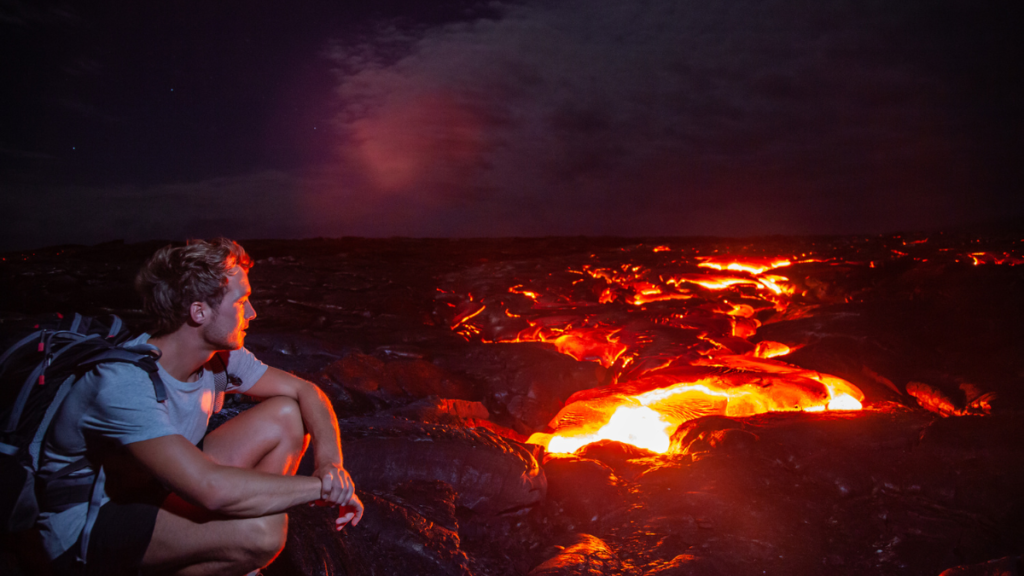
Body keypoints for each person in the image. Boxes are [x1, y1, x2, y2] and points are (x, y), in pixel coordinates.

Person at [36, 238, 363, 575]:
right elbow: (210, 489)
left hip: (158, 485)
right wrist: (324, 489)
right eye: (241, 302)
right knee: (263, 533)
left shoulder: (221, 359)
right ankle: (236, 546)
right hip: (89, 528)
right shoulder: (123, 384)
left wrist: (330, 466)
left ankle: (233, 551)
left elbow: (307, 391)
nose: (252, 313)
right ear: (199, 312)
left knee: (286, 415)